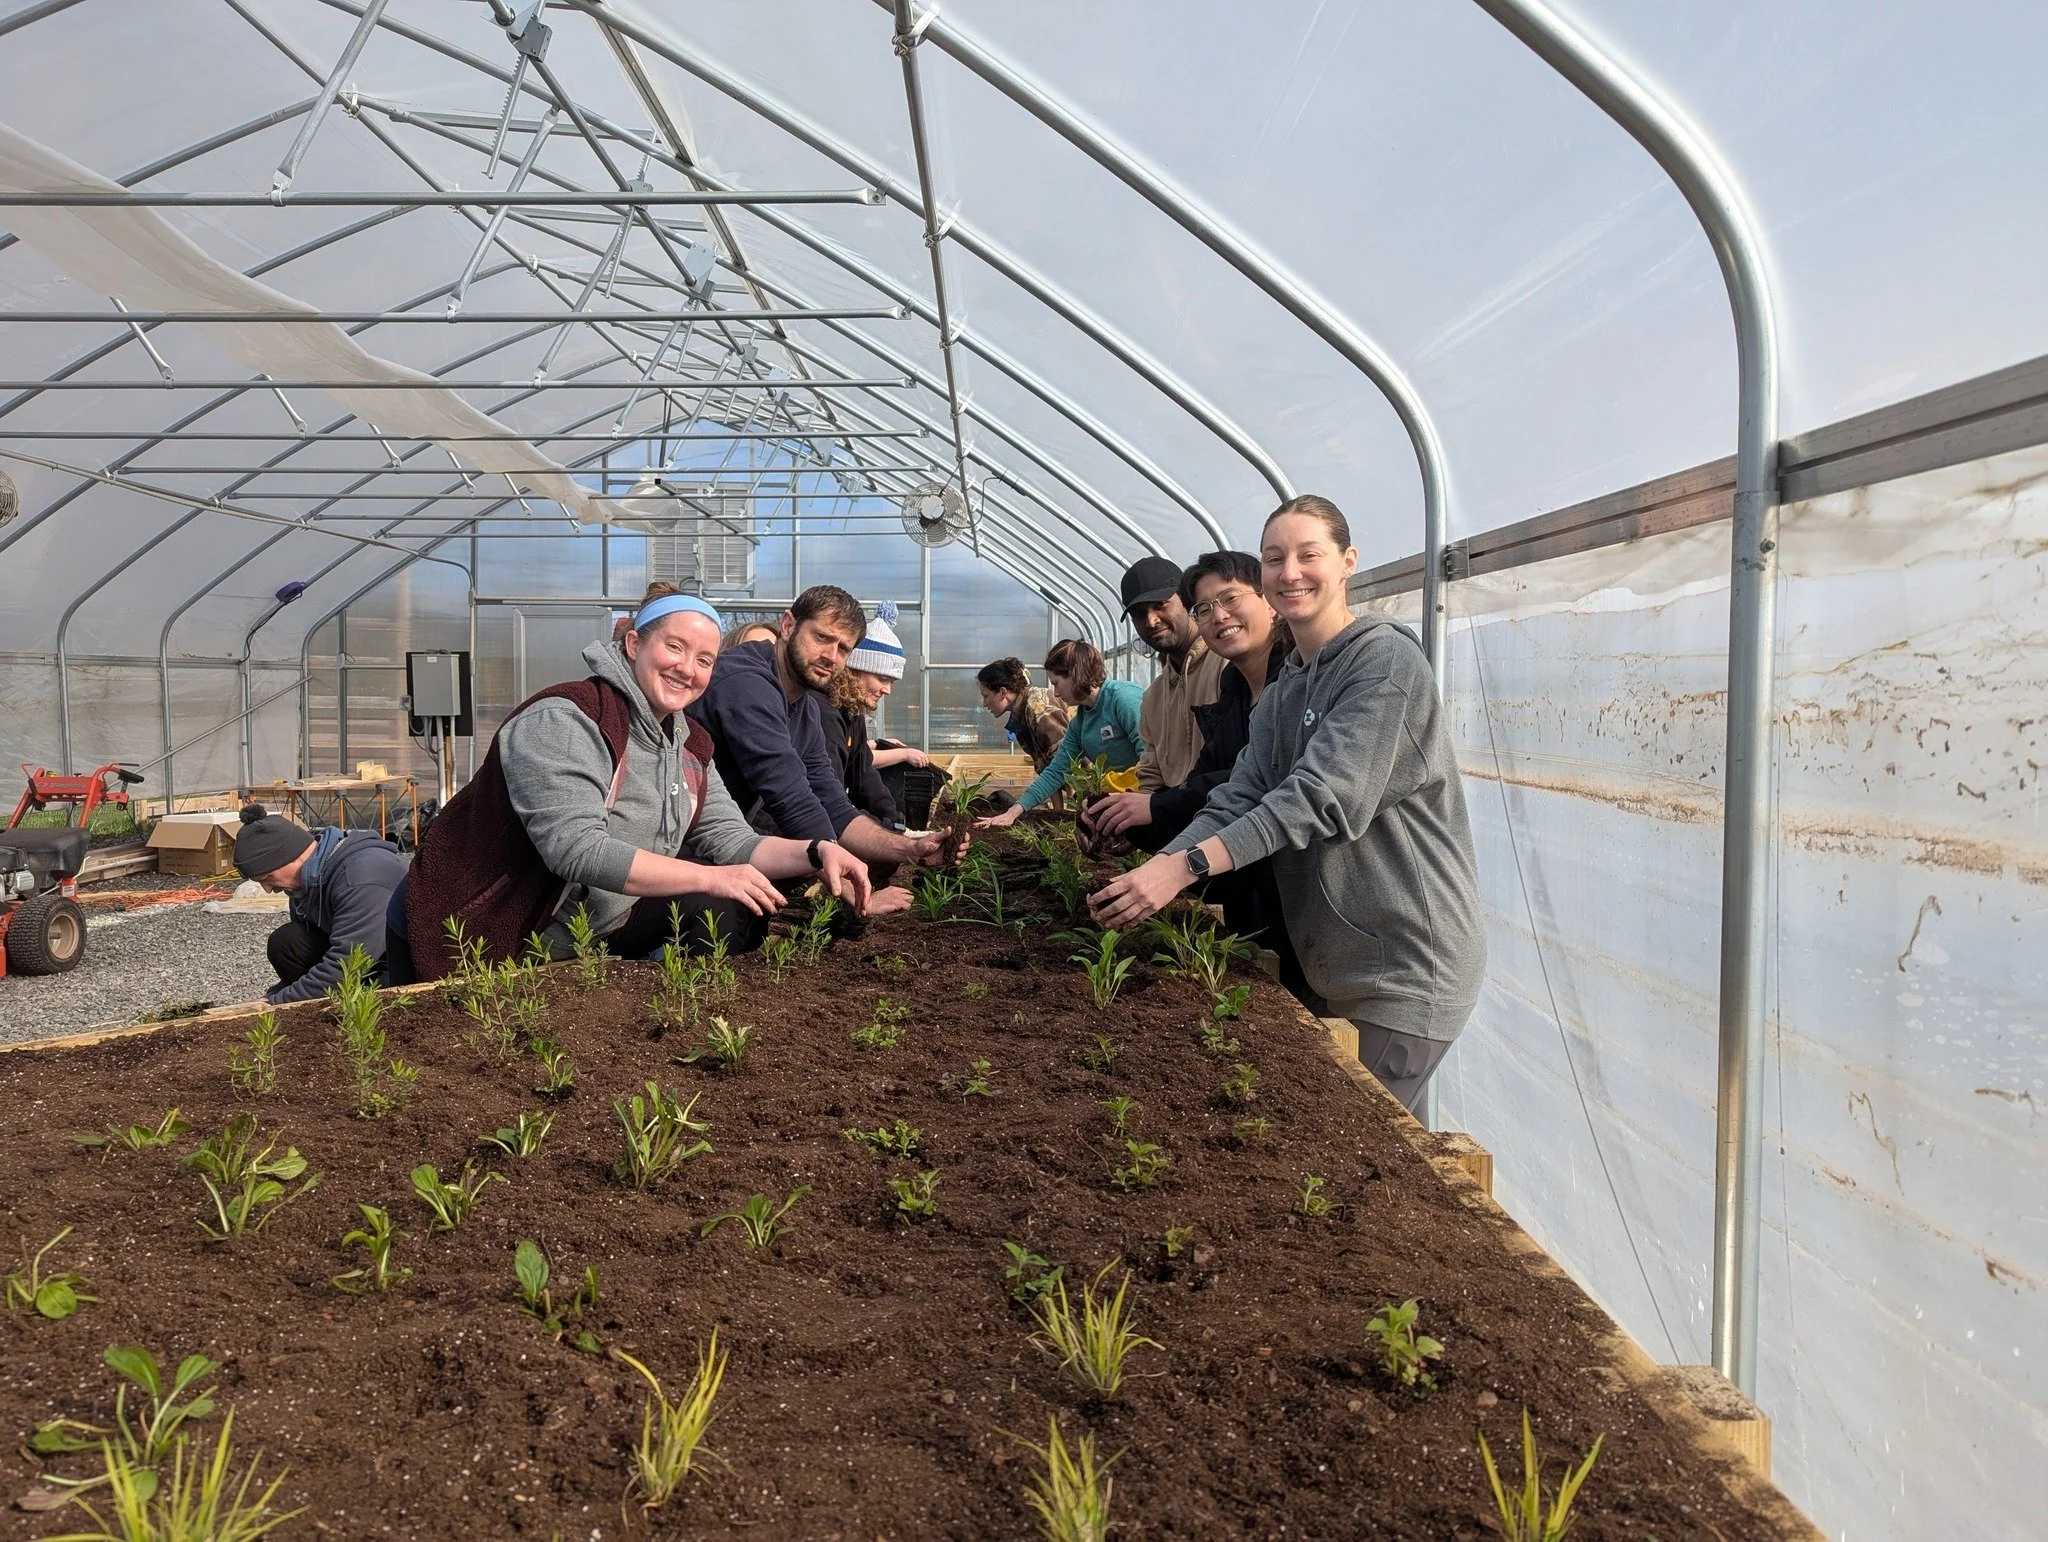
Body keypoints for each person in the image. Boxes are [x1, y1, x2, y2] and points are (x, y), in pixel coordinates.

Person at [1089, 496, 1485, 1115]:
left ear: (1348, 562)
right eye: (1276, 558)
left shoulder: (1384, 662)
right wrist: (1153, 870)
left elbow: (1319, 797)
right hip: (1335, 956)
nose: (1290, 571)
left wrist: (1183, 869)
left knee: (1356, 1149)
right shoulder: (1285, 689)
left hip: (1402, 965)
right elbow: (1241, 793)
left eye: (1309, 555)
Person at [388, 585, 872, 983]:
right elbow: (574, 848)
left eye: (705, 660)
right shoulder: (568, 719)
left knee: (727, 910)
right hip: (484, 920)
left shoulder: (689, 744)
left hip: (589, 923)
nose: (688, 668)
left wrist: (816, 852)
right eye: (675, 647)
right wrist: (709, 876)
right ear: (635, 644)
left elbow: (732, 839)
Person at [1083, 551, 1303, 991]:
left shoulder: (1281, 678)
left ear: (1269, 601)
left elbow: (1274, 791)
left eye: (1161, 605)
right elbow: (1223, 786)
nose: (1151, 620)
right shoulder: (1227, 687)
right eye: (1207, 608)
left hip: (1290, 879)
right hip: (1225, 863)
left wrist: (1171, 851)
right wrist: (1128, 825)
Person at [688, 584, 945, 912]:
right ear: (788, 625)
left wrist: (912, 846)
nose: (831, 656)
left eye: (843, 648)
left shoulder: (804, 707)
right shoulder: (747, 681)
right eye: (822, 638)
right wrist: (854, 894)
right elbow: (791, 800)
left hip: (725, 838)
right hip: (679, 841)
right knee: (730, 918)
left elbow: (834, 806)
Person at [233, 804, 406, 1004]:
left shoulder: (361, 876)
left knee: (374, 992)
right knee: (287, 942)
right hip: (365, 957)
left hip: (401, 963)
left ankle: (357, 1012)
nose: (268, 889)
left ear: (292, 856)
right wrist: (273, 994)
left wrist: (277, 1003)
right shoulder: (305, 883)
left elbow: (346, 964)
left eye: (267, 877)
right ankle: (325, 1007)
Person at [976, 638, 1143, 829]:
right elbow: (1055, 771)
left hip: (1146, 803)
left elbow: (1153, 760)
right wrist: (1012, 813)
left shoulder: (1123, 699)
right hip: (1122, 807)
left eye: (1056, 683)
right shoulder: (1080, 722)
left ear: (1075, 675)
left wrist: (1111, 787)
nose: (1054, 693)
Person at [1122, 555, 1226, 793]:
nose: (1151, 620)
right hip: (1174, 819)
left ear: (1186, 601)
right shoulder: (1153, 698)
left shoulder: (1225, 666)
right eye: (1139, 614)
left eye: (1160, 604)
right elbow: (1151, 776)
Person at [819, 602, 915, 830]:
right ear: (854, 670)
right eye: (882, 678)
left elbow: (863, 770)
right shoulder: (824, 712)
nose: (888, 689)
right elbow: (827, 789)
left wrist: (896, 821)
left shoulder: (853, 713)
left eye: (891, 682)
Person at [975, 657, 1069, 773]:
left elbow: (1066, 761)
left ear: (1003, 692)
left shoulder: (1037, 705)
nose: (984, 704)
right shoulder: (1022, 715)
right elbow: (1047, 766)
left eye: (986, 696)